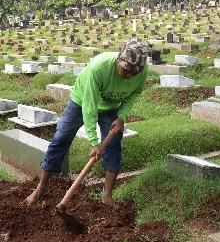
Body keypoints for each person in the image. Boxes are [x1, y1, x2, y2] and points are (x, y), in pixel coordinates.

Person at [25, 41, 149, 207]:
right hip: (81, 101)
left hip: (111, 107)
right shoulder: (100, 67)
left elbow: (134, 94)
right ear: (118, 61)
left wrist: (122, 116)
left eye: (133, 73)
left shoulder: (141, 71)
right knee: (61, 138)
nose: (128, 75)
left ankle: (107, 196)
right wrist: (94, 142)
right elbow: (89, 105)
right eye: (126, 70)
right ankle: (40, 188)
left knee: (113, 145)